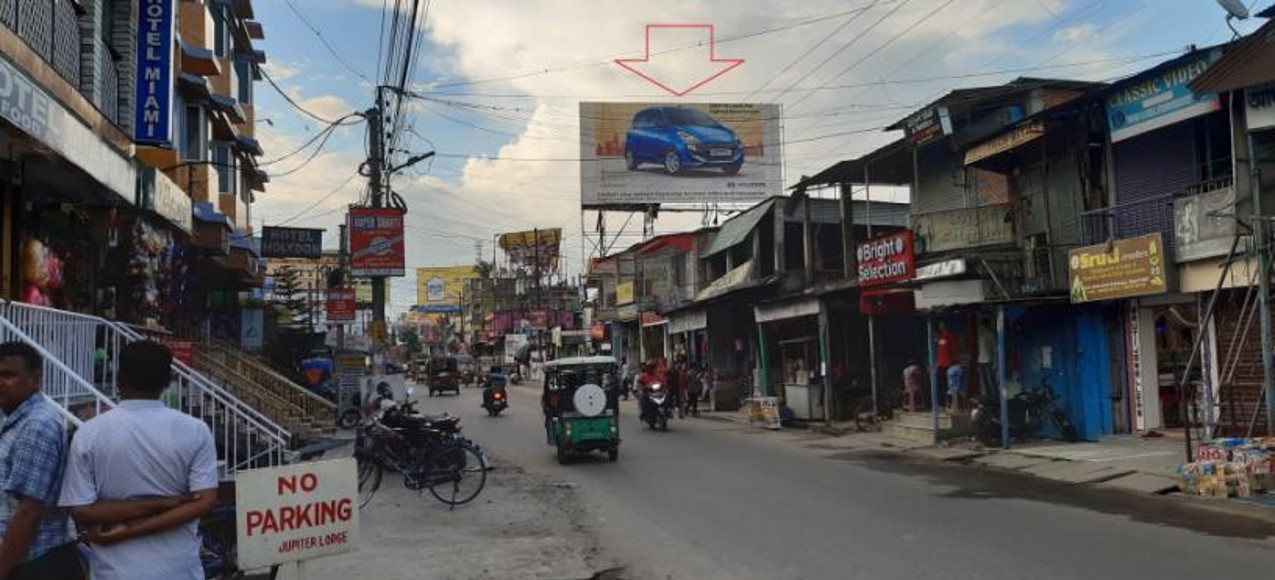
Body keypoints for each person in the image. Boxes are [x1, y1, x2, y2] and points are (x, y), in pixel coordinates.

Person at [60, 340, 218, 580]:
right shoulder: (195, 430)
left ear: (120, 379)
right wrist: (167, 503)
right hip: (179, 571)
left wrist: (128, 529)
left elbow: (83, 512)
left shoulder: (88, 434)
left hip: (114, 573)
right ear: (168, 380)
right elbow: (204, 502)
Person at [0, 342, 83, 580]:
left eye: (9, 375)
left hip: (36, 563)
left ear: (36, 380)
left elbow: (28, 513)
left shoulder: (37, 426)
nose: (0, 382)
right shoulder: (17, 421)